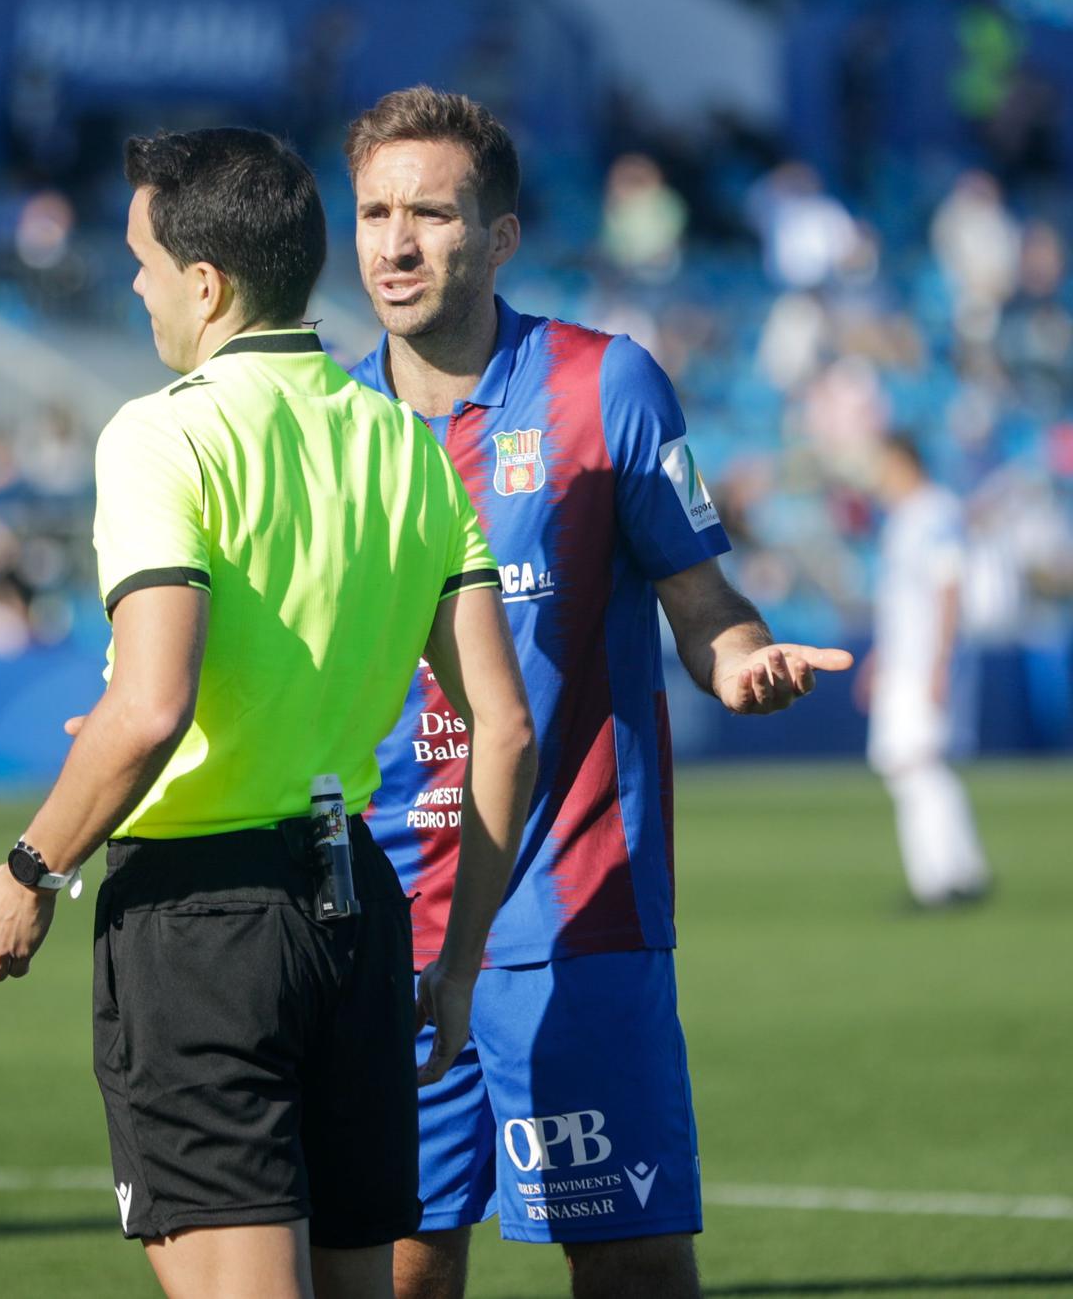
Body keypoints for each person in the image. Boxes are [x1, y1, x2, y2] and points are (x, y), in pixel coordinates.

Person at [0, 127, 538, 1299]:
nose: (136, 288)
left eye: (144, 264)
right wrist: (459, 961)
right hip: (357, 911)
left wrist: (28, 869)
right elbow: (504, 731)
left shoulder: (162, 431)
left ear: (206, 284)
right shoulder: (405, 443)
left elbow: (150, 706)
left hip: (202, 920)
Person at [339, 87, 854, 1299]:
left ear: (499, 236)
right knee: (400, 1264)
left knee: (628, 1258)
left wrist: (737, 657)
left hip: (571, 909)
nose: (395, 243)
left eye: (430, 213)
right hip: (383, 917)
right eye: (372, 213)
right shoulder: (328, 426)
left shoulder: (602, 386)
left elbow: (701, 603)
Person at [860, 431, 990, 908]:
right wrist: (879, 658)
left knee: (914, 764)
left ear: (902, 462)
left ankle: (938, 880)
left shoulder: (934, 512)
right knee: (913, 766)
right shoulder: (903, 519)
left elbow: (949, 588)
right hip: (904, 660)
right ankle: (960, 870)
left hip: (922, 662)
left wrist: (941, 662)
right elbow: (902, 602)